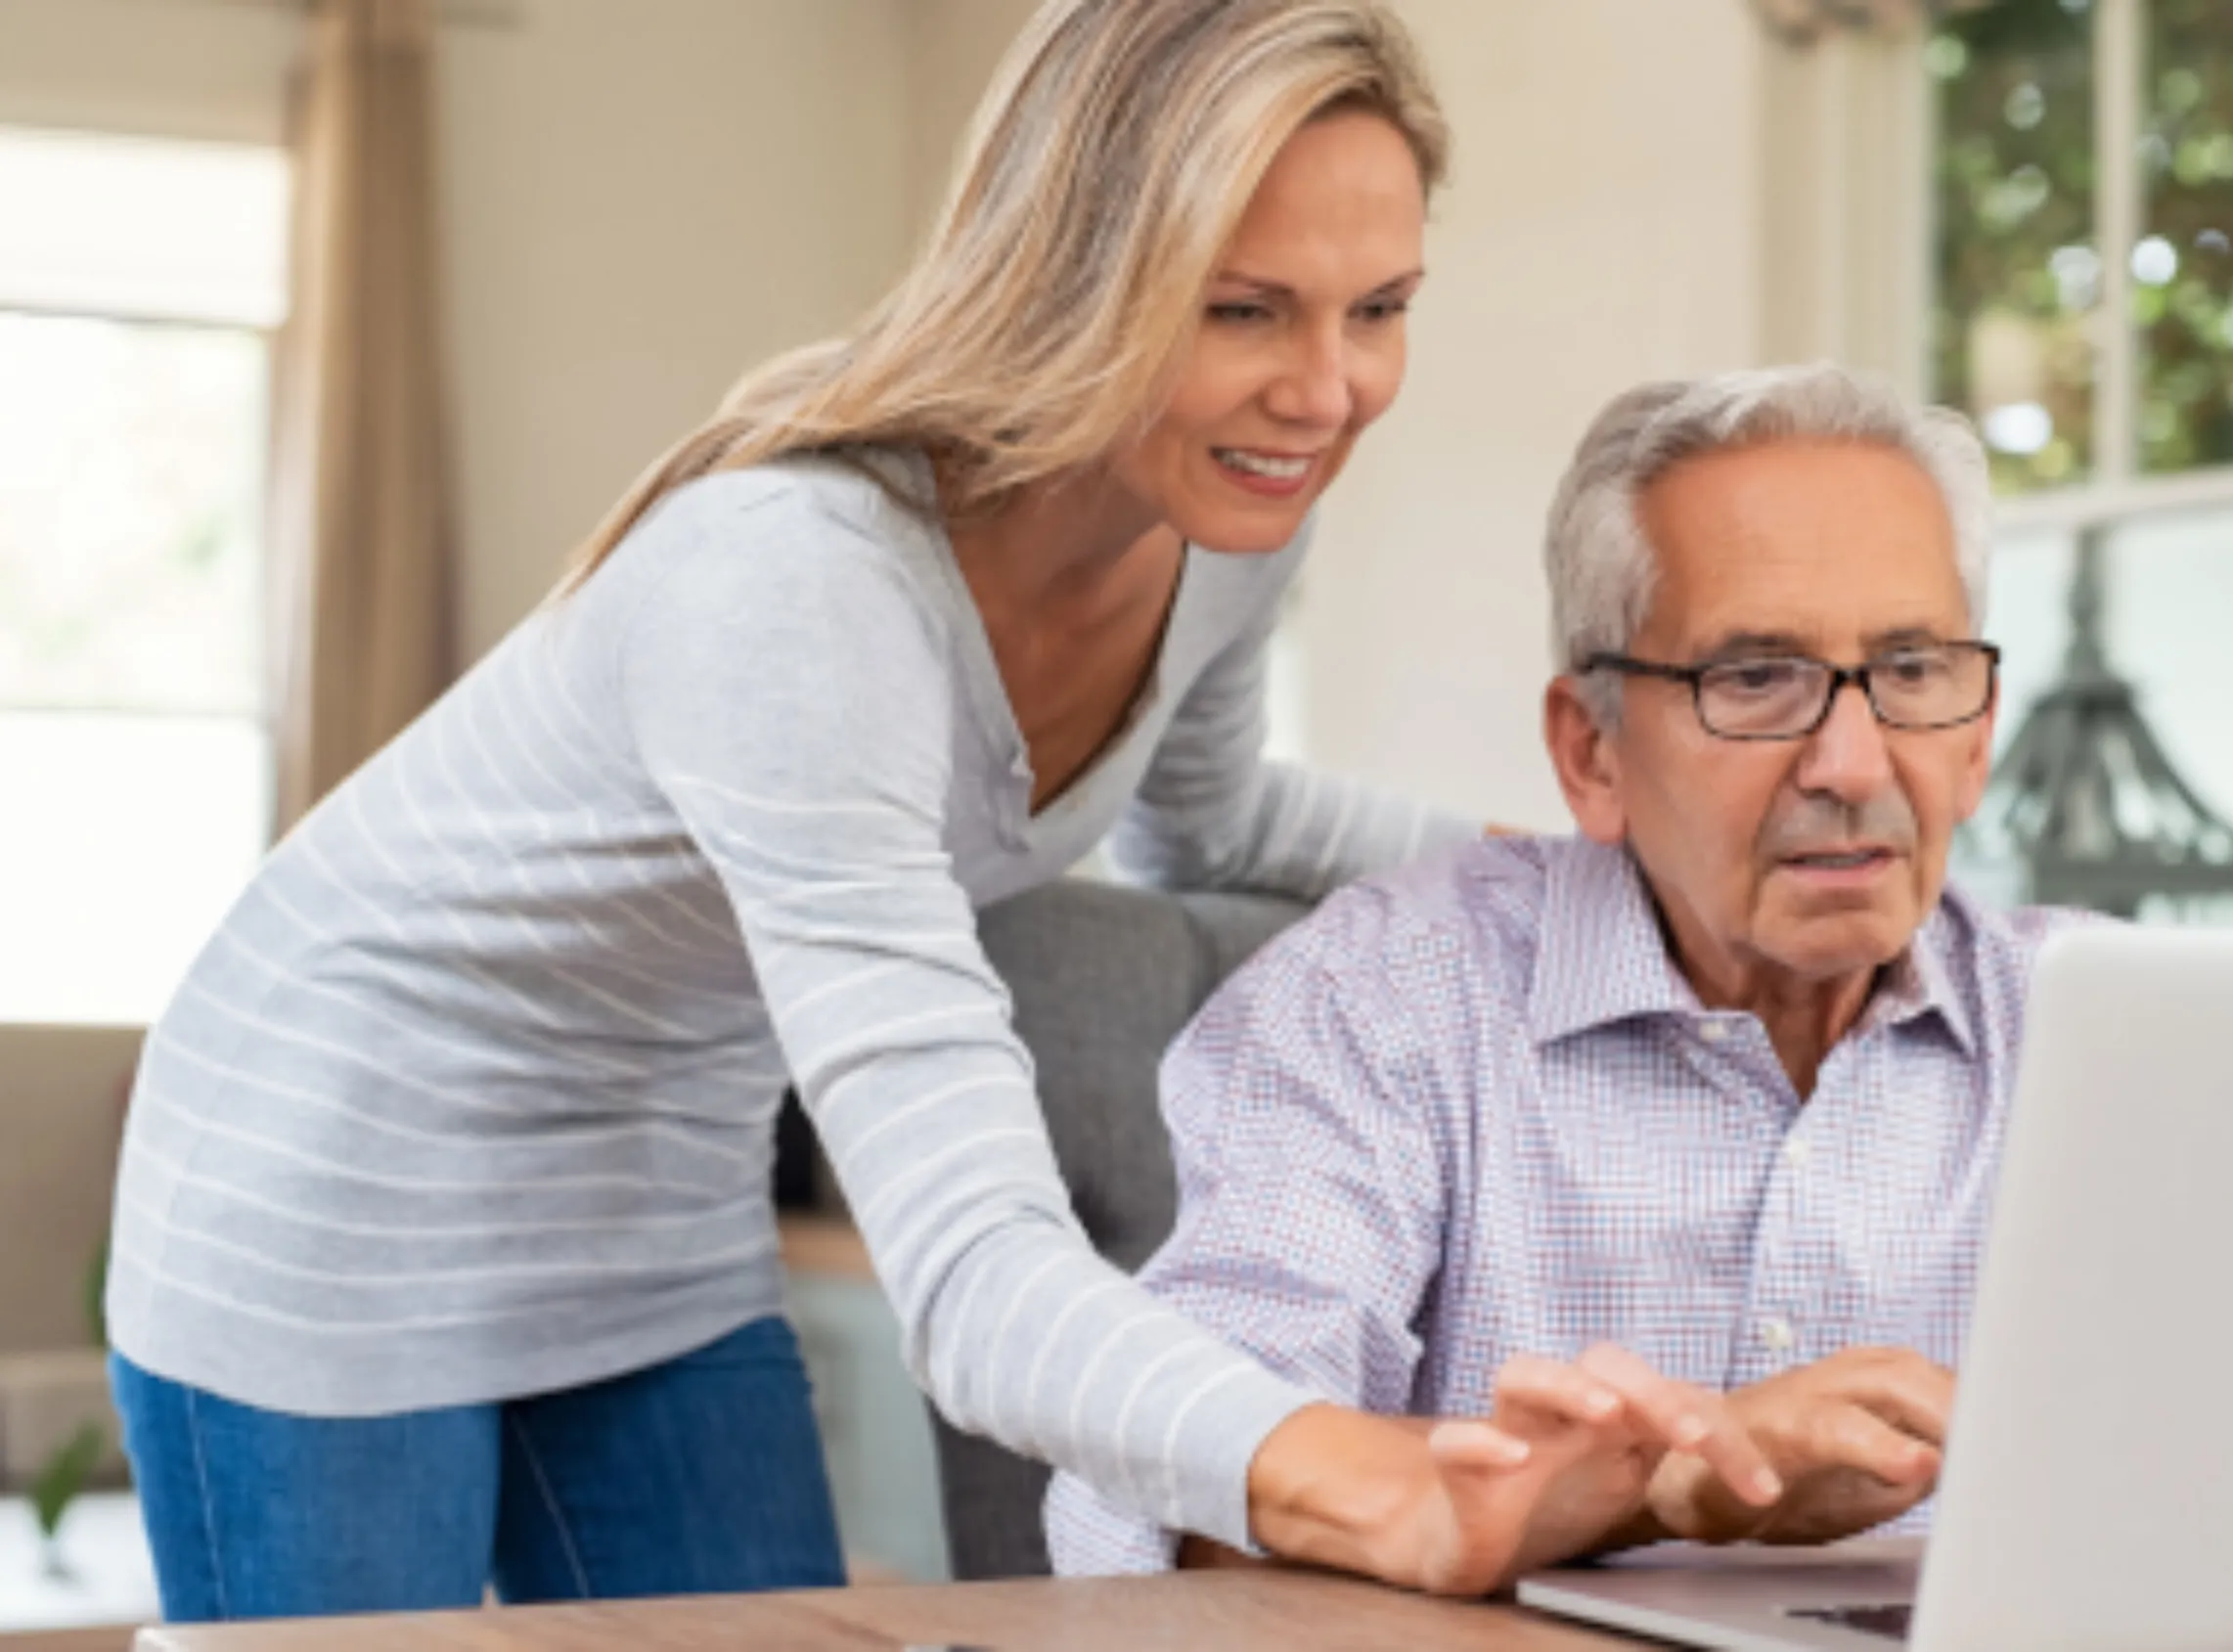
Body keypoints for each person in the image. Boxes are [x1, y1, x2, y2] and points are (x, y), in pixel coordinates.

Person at [103, 0, 1773, 1622]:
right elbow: (977, 1275)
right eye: (1245, 309)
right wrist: (1370, 1479)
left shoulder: (1224, 521)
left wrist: (1617, 874)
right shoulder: (799, 588)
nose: (1328, 393)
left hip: (657, 1187)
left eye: (1381, 306)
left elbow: (1214, 815)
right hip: (333, 1162)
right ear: (1076, 276)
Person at [1047, 363, 2100, 1574]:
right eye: (1755, 677)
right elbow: (1184, 1500)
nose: (1854, 763)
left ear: (1978, 739)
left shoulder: (2109, 1035)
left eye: (1913, 671)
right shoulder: (1380, 1001)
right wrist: (1655, 1489)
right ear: (1591, 751)